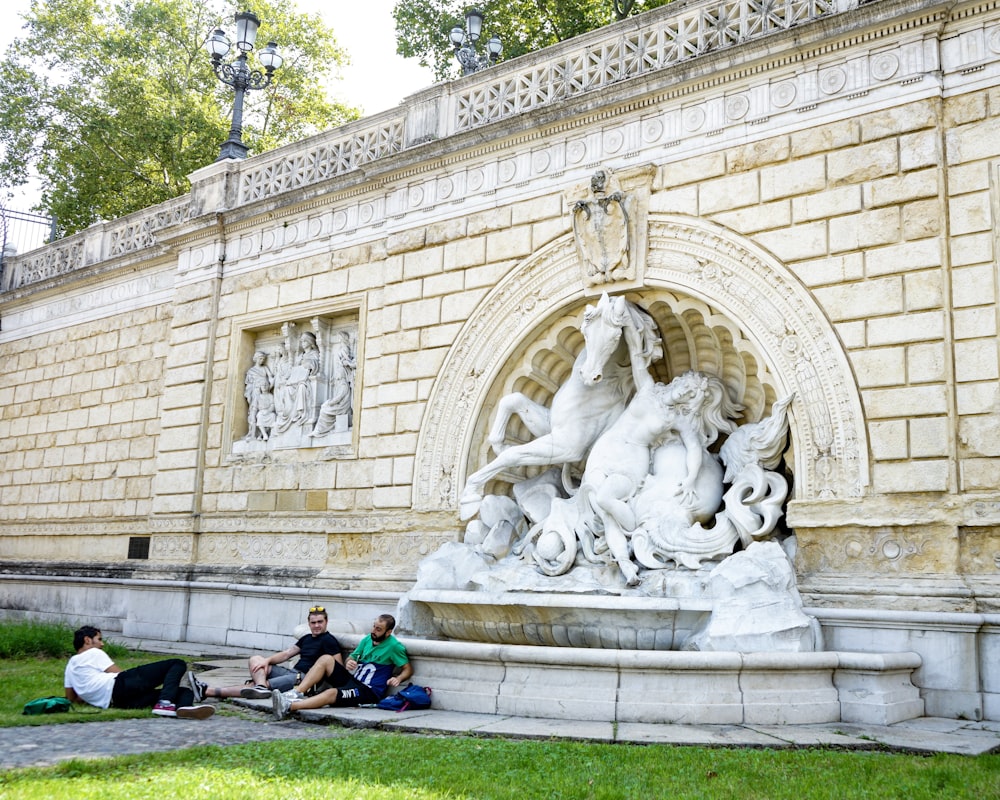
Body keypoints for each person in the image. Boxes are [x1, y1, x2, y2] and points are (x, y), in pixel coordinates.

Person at [271, 614, 411, 720]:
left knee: (331, 693)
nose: (374, 631)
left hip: (368, 691)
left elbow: (408, 669)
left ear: (388, 632)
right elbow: (352, 657)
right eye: (374, 626)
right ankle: (296, 693)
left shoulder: (394, 647)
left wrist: (398, 678)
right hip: (354, 681)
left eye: (379, 629)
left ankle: (289, 706)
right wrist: (350, 661)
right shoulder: (368, 639)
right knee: (326, 659)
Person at [191, 605, 342, 700]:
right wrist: (266, 661)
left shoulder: (329, 640)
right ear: (308, 623)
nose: (316, 625)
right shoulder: (306, 638)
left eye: (320, 622)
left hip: (302, 680)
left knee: (254, 686)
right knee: (256, 659)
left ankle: (208, 691)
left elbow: (337, 668)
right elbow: (286, 654)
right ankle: (261, 687)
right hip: (291, 672)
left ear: (326, 622)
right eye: (313, 622)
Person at [64, 625, 214, 719]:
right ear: (87, 640)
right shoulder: (93, 653)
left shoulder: (70, 665)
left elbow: (72, 698)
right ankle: (164, 703)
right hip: (119, 686)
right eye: (99, 639)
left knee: (183, 691)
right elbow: (118, 674)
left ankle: (184, 708)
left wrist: (92, 695)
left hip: (117, 703)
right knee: (177, 663)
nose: (102, 644)